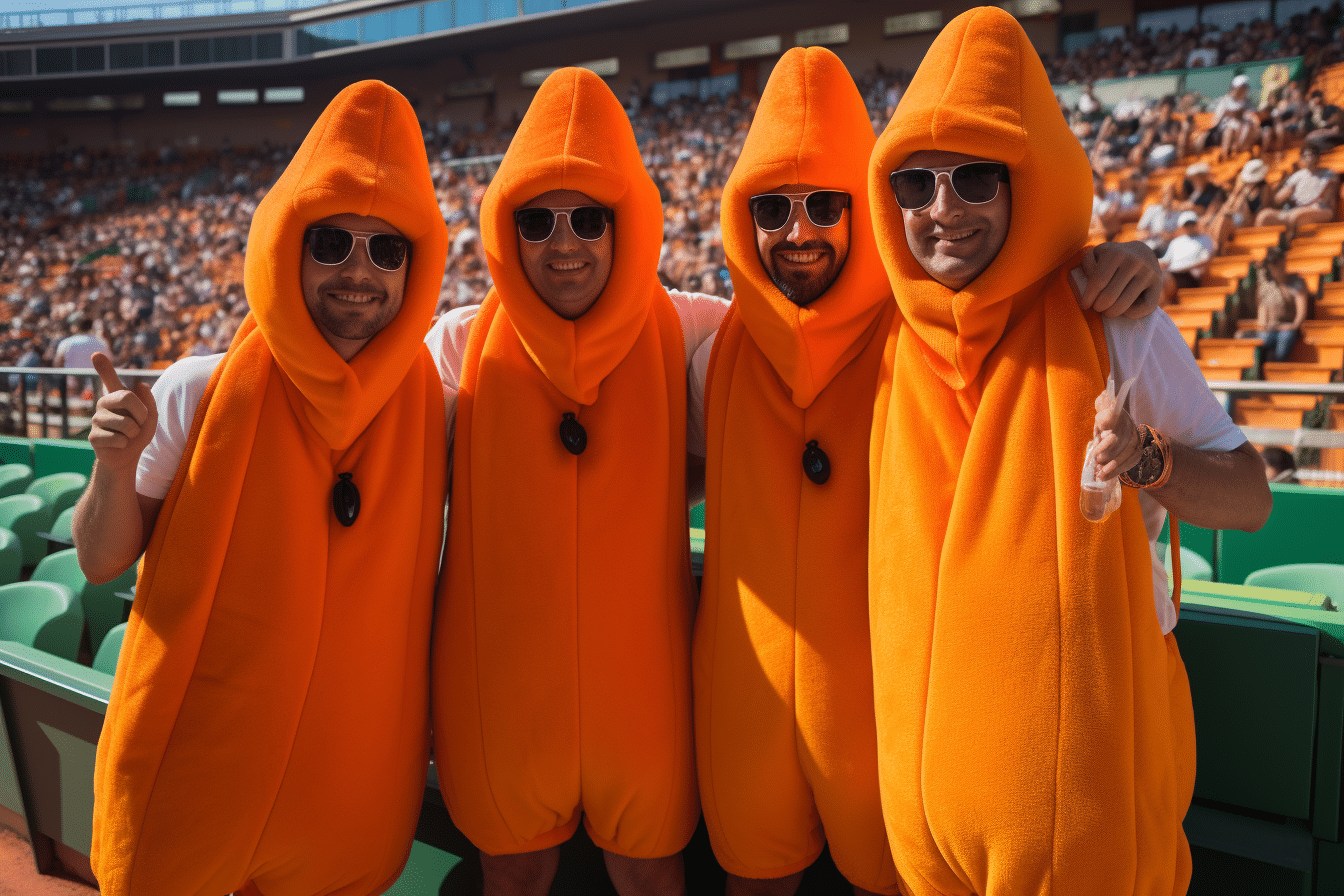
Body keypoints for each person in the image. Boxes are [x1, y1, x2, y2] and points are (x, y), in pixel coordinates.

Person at [692, 43, 1164, 896]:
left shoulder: (909, 329)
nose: (798, 231)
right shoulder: (709, 346)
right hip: (751, 711)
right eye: (771, 206)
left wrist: (1120, 258)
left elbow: (1010, 286)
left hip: (897, 725)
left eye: (827, 204)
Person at [866, 8, 1271, 896]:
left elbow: (1250, 498)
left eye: (976, 179)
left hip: (1086, 815)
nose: (943, 211)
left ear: (1026, 184)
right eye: (914, 184)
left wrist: (1148, 460)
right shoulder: (885, 332)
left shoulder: (1113, 319)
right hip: (929, 804)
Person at [74, 81, 449, 896]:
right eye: (333, 243)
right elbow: (102, 561)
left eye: (388, 251)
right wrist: (111, 463)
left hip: (344, 809)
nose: (360, 271)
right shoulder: (197, 387)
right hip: (195, 790)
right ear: (288, 246)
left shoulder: (440, 408)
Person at [427, 67, 723, 896]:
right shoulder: (456, 344)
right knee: (512, 869)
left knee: (648, 867)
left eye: (589, 219)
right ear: (505, 228)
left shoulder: (690, 324)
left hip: (644, 690)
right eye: (539, 220)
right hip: (504, 688)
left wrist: (1118, 260)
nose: (564, 244)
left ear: (623, 223)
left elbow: (828, 337)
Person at [1255, 141, 1339, 240]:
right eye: (1305, 156)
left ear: (1317, 157)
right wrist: (1280, 185)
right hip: (1295, 210)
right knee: (1264, 216)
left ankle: (1286, 246)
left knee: (1296, 215)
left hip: (1319, 209)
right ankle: (1263, 249)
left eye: (1310, 155)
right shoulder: (1298, 175)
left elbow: (1325, 196)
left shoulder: (1329, 174)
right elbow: (1278, 199)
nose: (1307, 159)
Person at [1245, 245, 1309, 361]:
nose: (1277, 267)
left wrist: (1290, 326)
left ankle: (1275, 369)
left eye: (1278, 263)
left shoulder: (1297, 283)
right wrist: (1266, 326)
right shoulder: (1266, 287)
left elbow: (1300, 314)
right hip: (1271, 329)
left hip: (1288, 328)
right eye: (1273, 265)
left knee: (1285, 337)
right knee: (1253, 339)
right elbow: (1262, 318)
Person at [1159, 210, 1215, 303]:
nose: (1190, 227)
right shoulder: (1175, 242)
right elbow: (1165, 261)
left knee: (1163, 277)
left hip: (1192, 278)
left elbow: (1205, 261)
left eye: (1192, 223)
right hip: (1173, 275)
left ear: (1196, 224)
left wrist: (1182, 269)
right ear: (1182, 226)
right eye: (1187, 224)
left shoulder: (1205, 239)